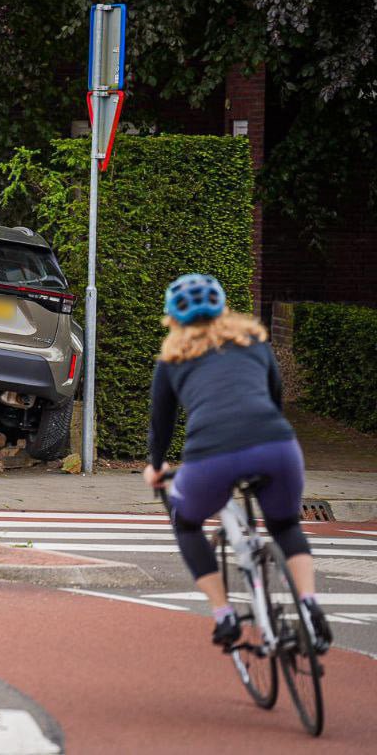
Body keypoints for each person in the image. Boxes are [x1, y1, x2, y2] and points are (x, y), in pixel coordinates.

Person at [143, 273, 331, 651]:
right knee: (284, 525)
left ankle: (224, 615)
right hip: (276, 446)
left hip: (211, 456)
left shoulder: (172, 358)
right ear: (223, 307)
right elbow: (274, 397)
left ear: (172, 318)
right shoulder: (255, 341)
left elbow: (161, 424)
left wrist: (157, 465)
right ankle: (310, 607)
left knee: (187, 522)